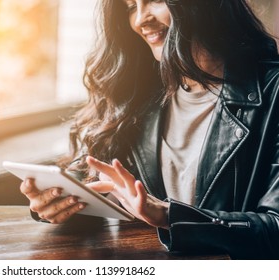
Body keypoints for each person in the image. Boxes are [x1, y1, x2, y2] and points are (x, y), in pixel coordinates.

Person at [20, 0, 279, 259]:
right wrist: (59, 200)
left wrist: (169, 216)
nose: (141, 19)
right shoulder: (138, 93)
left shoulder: (273, 92)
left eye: (154, 1)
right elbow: (99, 176)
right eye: (131, 6)